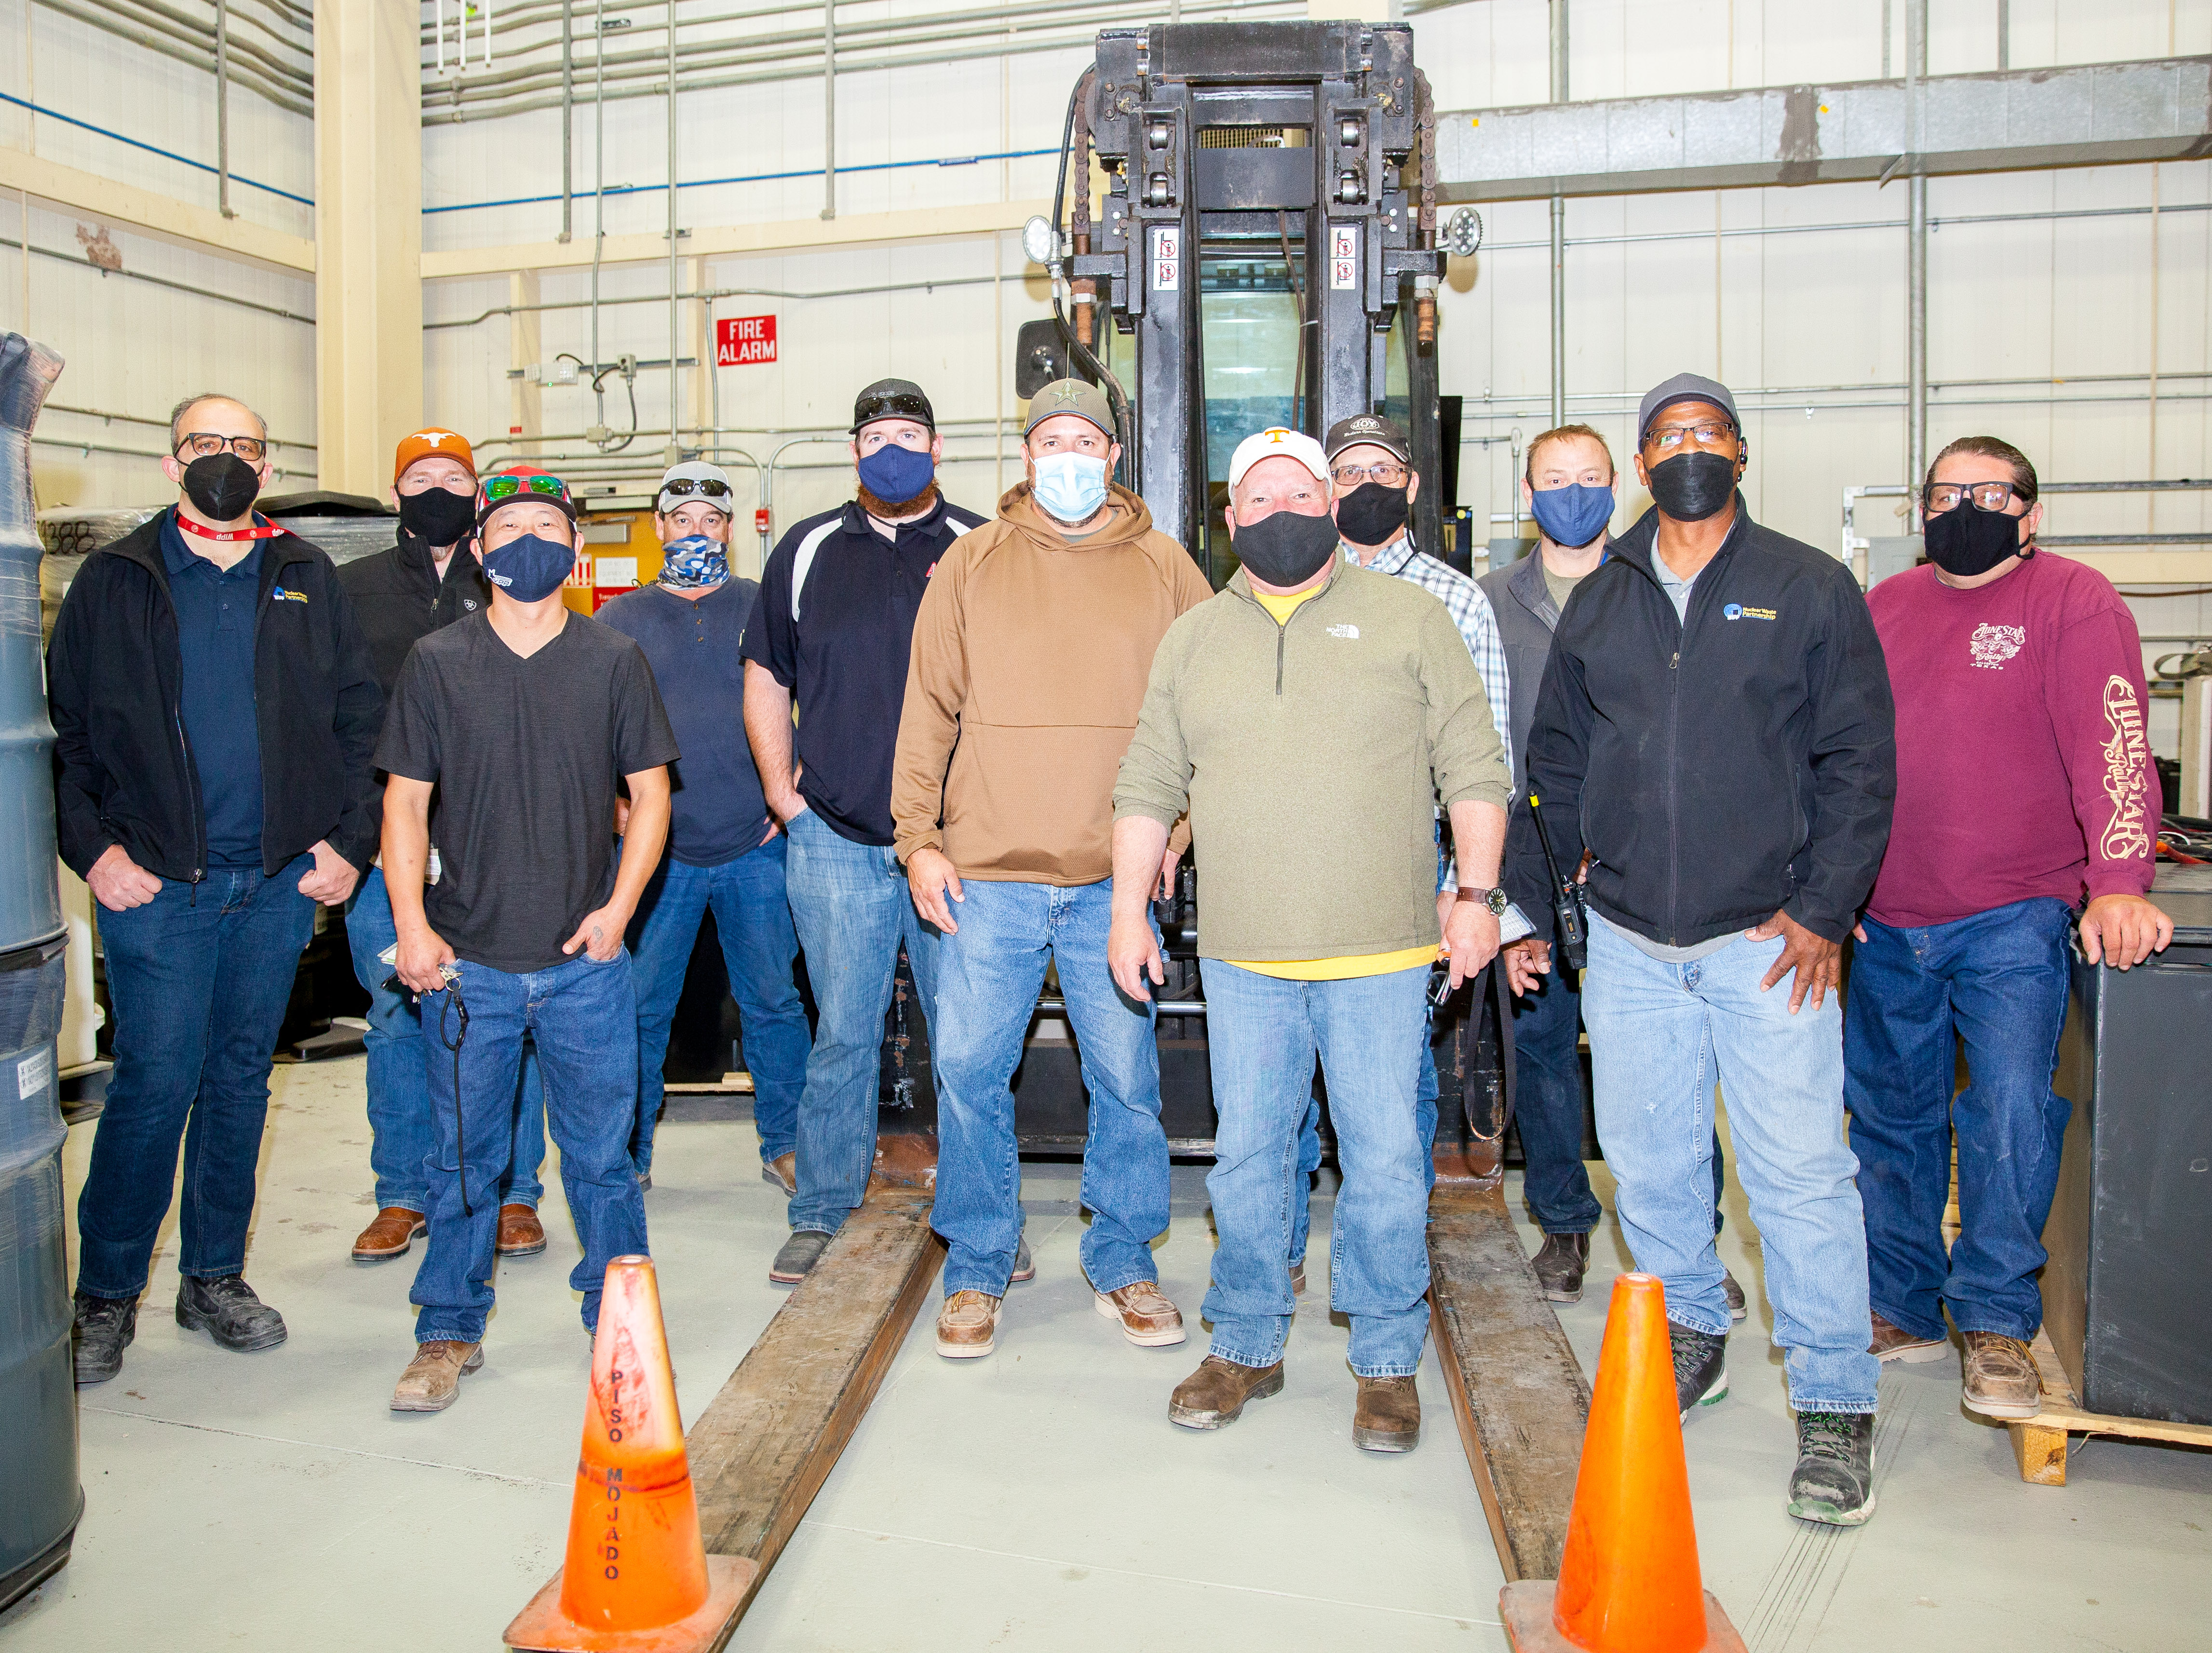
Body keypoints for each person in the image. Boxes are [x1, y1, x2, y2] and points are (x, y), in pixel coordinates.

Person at [1503, 373, 1895, 1526]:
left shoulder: (1805, 586)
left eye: (1705, 434)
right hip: (1628, 943)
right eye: (1666, 436)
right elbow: (1557, 760)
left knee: (1796, 1180)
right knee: (1650, 1166)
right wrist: (1549, 892)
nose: (1687, 450)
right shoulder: (1606, 596)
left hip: (1765, 941)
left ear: (1737, 453)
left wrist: (1823, 908)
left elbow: (1859, 761)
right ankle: (1694, 1338)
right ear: (1643, 462)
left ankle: (1831, 1405)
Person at [1111, 426, 1514, 1453]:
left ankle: (1384, 1357)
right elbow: (1150, 780)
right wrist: (1124, 908)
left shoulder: (1411, 616)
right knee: (1247, 1155)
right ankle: (1244, 1339)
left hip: (1379, 952)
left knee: (1381, 1159)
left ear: (1331, 507)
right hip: (1245, 954)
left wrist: (1475, 894)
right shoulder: (1194, 637)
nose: (1283, 510)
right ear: (1230, 518)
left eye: (1302, 491)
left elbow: (1473, 761)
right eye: (1260, 497)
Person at [49, 391, 383, 1385]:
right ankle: (106, 1295)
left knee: (241, 1083)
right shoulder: (118, 579)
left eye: (243, 445)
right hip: (158, 884)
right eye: (206, 443)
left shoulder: (304, 573)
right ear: (172, 462)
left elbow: (360, 724)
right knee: (155, 1084)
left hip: (276, 884)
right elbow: (59, 736)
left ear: (267, 466)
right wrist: (95, 852)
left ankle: (212, 1280)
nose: (225, 459)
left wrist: (347, 845)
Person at [1850, 435, 2170, 1418]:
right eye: (1944, 493)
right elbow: (1834, 751)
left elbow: (2112, 742)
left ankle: (1992, 1320)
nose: (1963, 507)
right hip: (1883, 917)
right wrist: (1830, 891)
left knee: (2005, 1116)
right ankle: (1898, 1301)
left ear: (2029, 514)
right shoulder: (1885, 607)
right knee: (1887, 1121)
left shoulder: (2072, 600)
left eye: (1987, 493)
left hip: (2012, 915)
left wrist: (2119, 878)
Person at [894, 379, 1211, 1359]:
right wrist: (917, 838)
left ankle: (1121, 1258)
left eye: (1085, 440)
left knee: (1123, 1079)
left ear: (1112, 454)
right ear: (1026, 454)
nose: (1067, 457)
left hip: (1110, 883)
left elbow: (1208, 709)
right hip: (987, 873)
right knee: (969, 1071)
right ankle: (979, 1263)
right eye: (1049, 440)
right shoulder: (970, 563)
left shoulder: (1165, 568)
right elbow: (928, 708)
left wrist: (1178, 830)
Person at [376, 465, 677, 1413]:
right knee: (463, 1164)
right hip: (468, 965)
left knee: (603, 1158)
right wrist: (413, 927)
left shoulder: (613, 659)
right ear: (477, 549)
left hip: (584, 963)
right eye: (506, 528)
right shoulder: (436, 661)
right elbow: (405, 803)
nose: (526, 543)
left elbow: (653, 795)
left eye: (547, 526)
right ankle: (446, 1331)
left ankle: (618, 1325)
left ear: (577, 550)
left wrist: (619, 910)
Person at [1482, 425, 1743, 1318]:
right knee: (1546, 1050)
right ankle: (1563, 1218)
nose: (1575, 493)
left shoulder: (1659, 591)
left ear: (1619, 487)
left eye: (1591, 478)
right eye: (1557, 480)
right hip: (1537, 853)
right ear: (1529, 493)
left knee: (1676, 1061)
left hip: (1645, 857)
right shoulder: (1491, 601)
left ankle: (1691, 1245)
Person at [742, 379, 986, 1284]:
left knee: (966, 1034)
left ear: (937, 445)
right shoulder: (804, 550)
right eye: (877, 434)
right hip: (835, 837)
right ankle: (820, 1210)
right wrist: (784, 796)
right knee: (842, 1029)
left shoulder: (978, 547)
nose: (893, 447)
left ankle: (979, 1210)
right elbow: (768, 674)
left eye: (909, 433)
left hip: (956, 845)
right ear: (854, 450)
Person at [1285, 413, 1522, 1291]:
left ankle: (1385, 1252)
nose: (1364, 487)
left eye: (1382, 469)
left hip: (1407, 860)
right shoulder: (1289, 585)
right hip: (1299, 857)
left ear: (1414, 485)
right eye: (1345, 473)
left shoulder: (1454, 600)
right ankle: (1281, 1242)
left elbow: (1485, 753)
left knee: (1392, 1071)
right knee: (1290, 1064)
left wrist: (1469, 888)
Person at [337, 427, 550, 1266]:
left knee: (511, 1015)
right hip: (383, 842)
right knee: (394, 1020)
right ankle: (404, 1193)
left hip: (494, 847)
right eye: (419, 476)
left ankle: (512, 1192)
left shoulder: (511, 581)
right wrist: (338, 839)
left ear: (478, 493)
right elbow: (326, 719)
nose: (436, 489)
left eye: (454, 476)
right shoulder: (346, 589)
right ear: (395, 493)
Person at [600, 461, 810, 1192]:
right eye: (682, 519)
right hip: (657, 856)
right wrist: (616, 810)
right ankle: (630, 1154)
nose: (697, 532)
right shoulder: (617, 620)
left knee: (774, 1004)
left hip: (756, 845)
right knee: (639, 1007)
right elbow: (593, 728)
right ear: (659, 527)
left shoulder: (763, 606)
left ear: (731, 529)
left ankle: (786, 1143)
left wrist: (788, 796)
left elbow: (812, 698)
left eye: (712, 520)